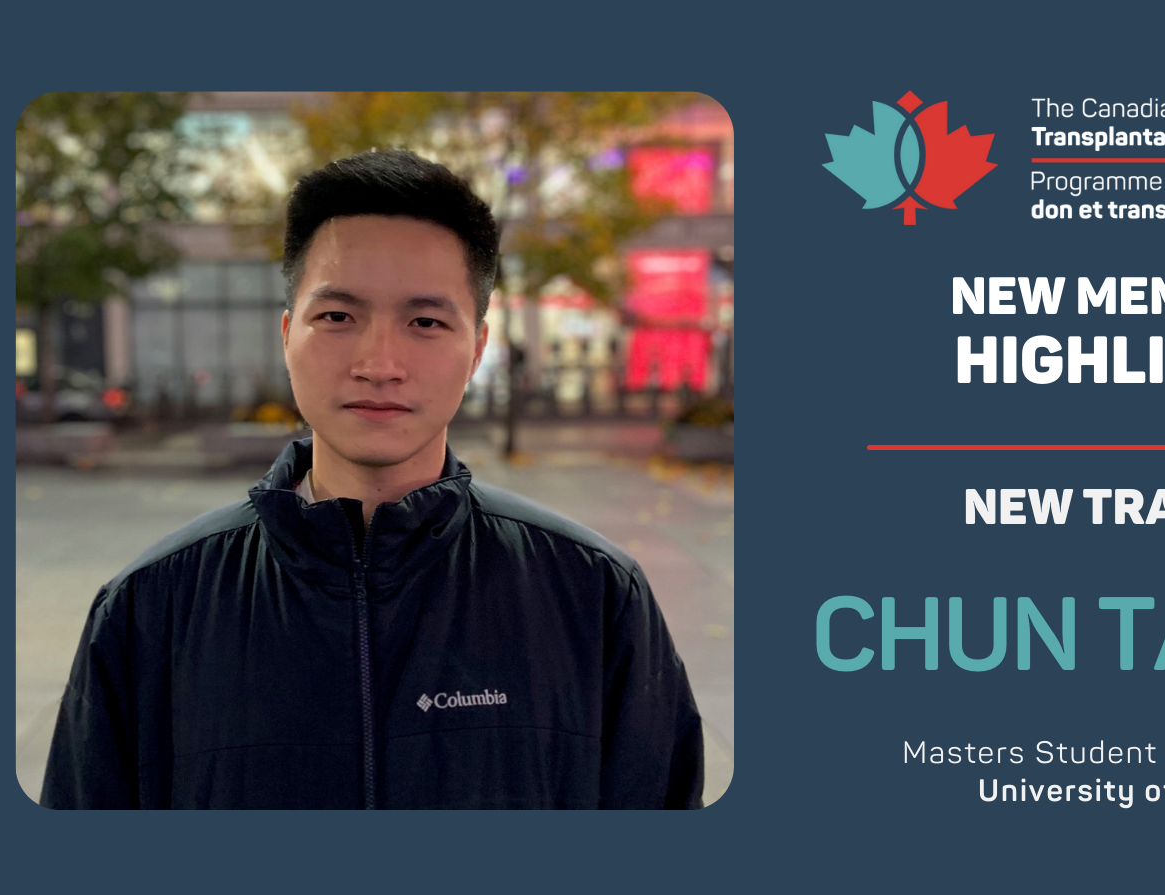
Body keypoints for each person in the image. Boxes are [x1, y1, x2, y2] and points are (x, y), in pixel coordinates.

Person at [40, 149, 704, 809]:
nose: (379, 362)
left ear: (476, 348)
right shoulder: (152, 609)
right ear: (286, 335)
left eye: (425, 322)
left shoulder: (593, 597)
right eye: (337, 316)